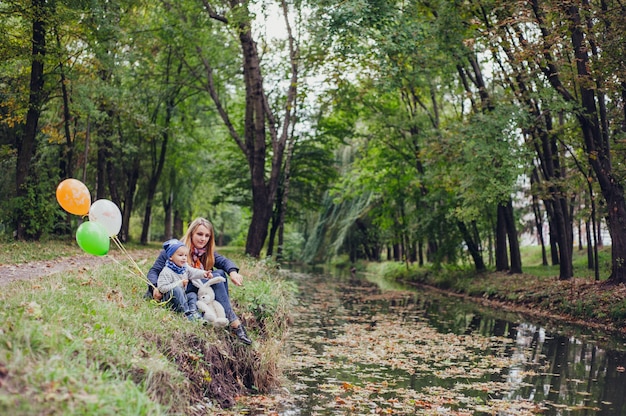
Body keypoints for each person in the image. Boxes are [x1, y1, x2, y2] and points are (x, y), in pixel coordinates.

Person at [147, 218, 252, 345]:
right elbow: (154, 271)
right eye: (200, 234)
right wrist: (155, 287)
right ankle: (234, 323)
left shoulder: (206, 253)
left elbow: (224, 262)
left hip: (200, 292)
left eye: (207, 235)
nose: (203, 239)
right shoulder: (175, 250)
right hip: (183, 291)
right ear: (191, 234)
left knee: (219, 274)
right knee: (217, 275)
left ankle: (227, 317)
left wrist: (233, 272)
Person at [156, 239, 217, 321]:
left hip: (182, 297)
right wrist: (179, 283)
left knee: (192, 294)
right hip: (170, 299)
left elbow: (193, 272)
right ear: (170, 257)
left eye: (185, 255)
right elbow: (162, 288)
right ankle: (186, 313)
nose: (184, 258)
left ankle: (193, 311)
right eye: (180, 255)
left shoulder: (184, 267)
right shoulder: (166, 271)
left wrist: (204, 274)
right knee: (177, 290)